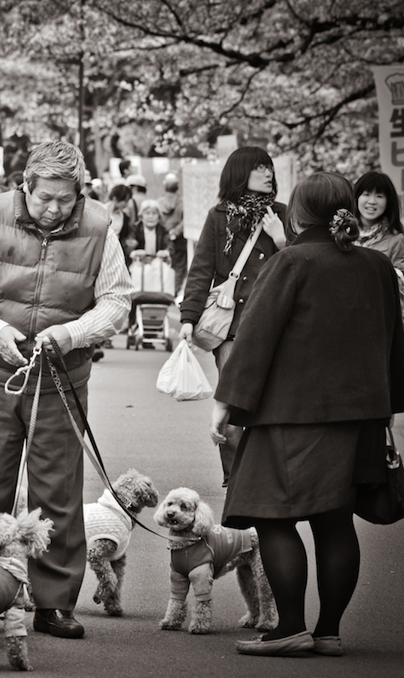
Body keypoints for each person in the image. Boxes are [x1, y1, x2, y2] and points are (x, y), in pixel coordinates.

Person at [210, 171, 404, 656]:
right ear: (346, 207)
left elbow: (255, 340)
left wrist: (226, 405)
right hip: (361, 415)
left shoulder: (290, 262)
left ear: (298, 213)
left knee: (272, 516)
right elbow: (393, 343)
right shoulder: (374, 266)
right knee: (335, 521)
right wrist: (388, 409)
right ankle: (328, 631)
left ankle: (289, 628)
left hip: (291, 415)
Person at [0, 139, 133, 639]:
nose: (53, 208)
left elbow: (117, 302)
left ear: (79, 192)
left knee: (59, 493)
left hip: (60, 379)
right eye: (43, 197)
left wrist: (71, 333)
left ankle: (53, 603)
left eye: (64, 199)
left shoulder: (99, 227)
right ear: (23, 185)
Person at [179, 146, 288, 486]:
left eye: (269, 168)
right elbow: (201, 270)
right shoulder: (220, 216)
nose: (268, 173)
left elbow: (301, 265)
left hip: (274, 325)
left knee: (270, 405)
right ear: (240, 173)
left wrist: (281, 239)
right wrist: (188, 318)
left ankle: (267, 477)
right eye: (259, 168)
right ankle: (238, 479)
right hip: (231, 326)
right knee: (230, 406)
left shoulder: (282, 214)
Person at [352, 171, 404, 270]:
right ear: (356, 198)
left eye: (379, 196)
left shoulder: (396, 240)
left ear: (387, 203)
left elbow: (401, 280)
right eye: (366, 194)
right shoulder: (343, 233)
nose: (372, 201)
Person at [159, 173, 187, 293]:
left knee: (163, 266)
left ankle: (163, 291)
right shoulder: (182, 202)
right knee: (179, 267)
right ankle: (173, 292)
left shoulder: (159, 202)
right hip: (179, 239)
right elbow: (186, 221)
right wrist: (175, 232)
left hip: (163, 239)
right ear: (177, 187)